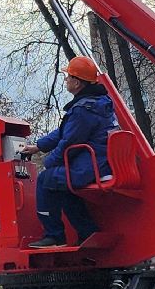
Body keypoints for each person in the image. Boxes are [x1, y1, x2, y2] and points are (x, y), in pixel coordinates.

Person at [22, 55, 117, 248]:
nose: (66, 80)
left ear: (77, 82)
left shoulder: (84, 109)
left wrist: (48, 163)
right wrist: (39, 146)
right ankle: (88, 232)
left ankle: (54, 235)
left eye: (68, 77)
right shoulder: (100, 102)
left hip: (90, 168)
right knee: (63, 186)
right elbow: (65, 131)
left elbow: (68, 142)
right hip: (101, 163)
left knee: (45, 179)